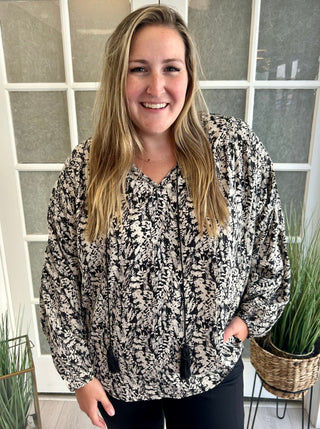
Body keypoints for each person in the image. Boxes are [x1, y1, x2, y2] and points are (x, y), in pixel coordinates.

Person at [40, 5, 290, 429]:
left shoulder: (233, 153)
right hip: (117, 383)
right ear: (118, 76)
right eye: (139, 68)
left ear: (189, 75)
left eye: (171, 68)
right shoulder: (86, 168)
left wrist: (248, 321)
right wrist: (78, 375)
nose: (156, 86)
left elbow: (272, 250)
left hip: (210, 376)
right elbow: (60, 280)